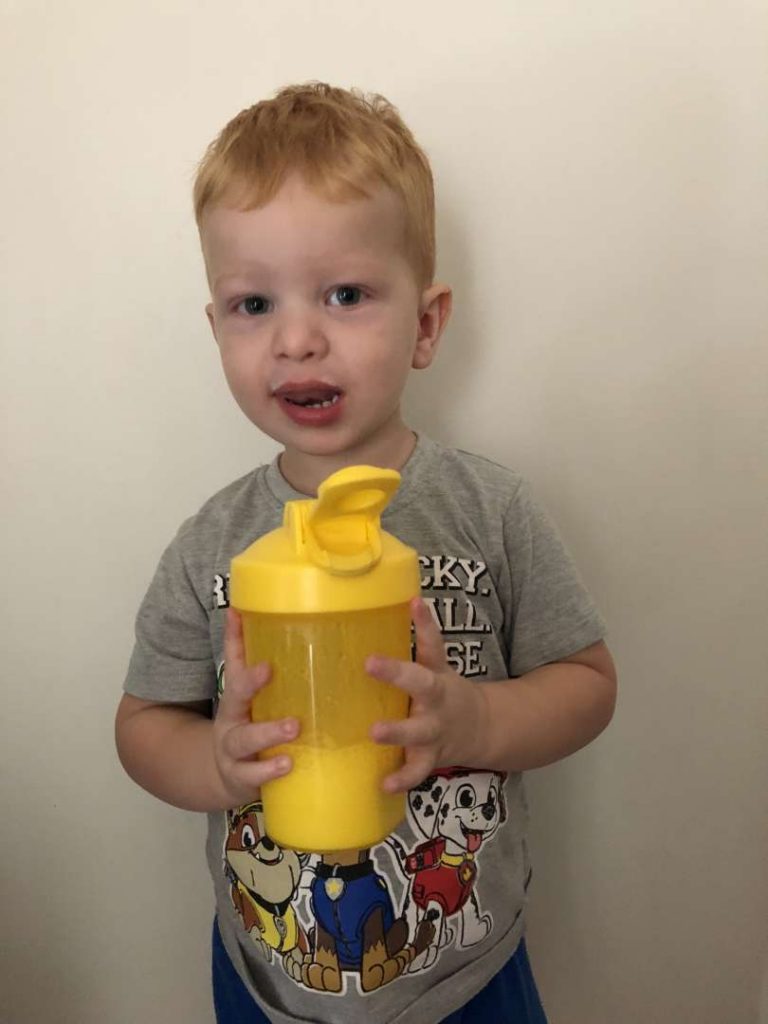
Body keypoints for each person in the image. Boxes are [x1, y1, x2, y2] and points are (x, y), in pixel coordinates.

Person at [115, 82, 617, 1024]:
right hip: (272, 974)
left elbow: (588, 683)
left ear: (425, 324)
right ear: (217, 328)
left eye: (345, 294)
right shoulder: (209, 546)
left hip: (466, 968)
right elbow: (143, 724)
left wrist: (474, 722)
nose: (298, 338)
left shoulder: (492, 510)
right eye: (253, 302)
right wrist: (215, 768)